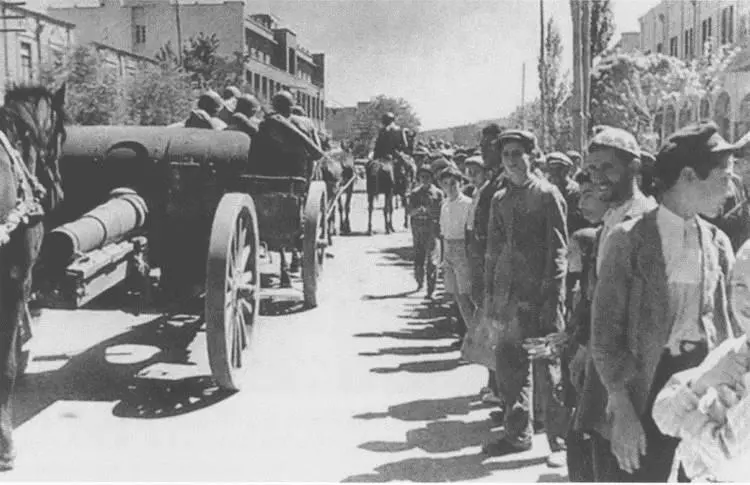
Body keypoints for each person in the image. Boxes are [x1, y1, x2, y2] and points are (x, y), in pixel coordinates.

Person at [583, 122, 739, 482]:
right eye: (723, 176)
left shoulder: (716, 242)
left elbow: (727, 326)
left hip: (700, 384)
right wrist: (621, 408)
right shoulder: (630, 240)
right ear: (688, 176)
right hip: (645, 383)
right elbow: (605, 337)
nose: (730, 189)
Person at [482, 129, 569, 466]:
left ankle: (560, 444)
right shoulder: (499, 200)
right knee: (510, 367)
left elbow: (559, 250)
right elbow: (492, 251)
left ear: (532, 156)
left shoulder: (548, 195)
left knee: (549, 369)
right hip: (509, 298)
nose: (512, 161)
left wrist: (552, 297)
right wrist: (491, 296)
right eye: (506, 155)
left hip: (542, 296)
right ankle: (517, 434)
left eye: (518, 153)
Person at [652, 240, 750, 483]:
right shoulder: (729, 351)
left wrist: (689, 421)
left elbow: (733, 467)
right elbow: (661, 414)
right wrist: (703, 382)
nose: (747, 299)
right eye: (740, 285)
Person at [463, 155, 502, 405]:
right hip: (477, 262)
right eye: (469, 172)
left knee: (491, 330)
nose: (472, 176)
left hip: (487, 266)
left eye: (476, 172)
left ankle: (497, 386)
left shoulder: (490, 194)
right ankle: (493, 384)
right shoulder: (478, 193)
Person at [438, 167, 475, 337]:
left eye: (453, 183)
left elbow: (470, 231)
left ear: (460, 183)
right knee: (457, 297)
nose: (450, 187)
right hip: (449, 249)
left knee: (466, 296)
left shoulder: (468, 203)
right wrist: (444, 258)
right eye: (445, 184)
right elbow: (444, 232)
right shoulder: (444, 204)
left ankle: (475, 336)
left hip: (463, 249)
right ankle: (468, 335)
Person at [408, 164, 443, 299]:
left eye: (427, 177)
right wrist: (418, 211)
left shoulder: (438, 194)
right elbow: (410, 211)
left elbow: (441, 212)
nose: (425, 180)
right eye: (422, 177)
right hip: (418, 228)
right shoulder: (414, 193)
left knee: (433, 260)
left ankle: (431, 289)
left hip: (432, 229)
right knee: (418, 258)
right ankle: (419, 282)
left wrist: (429, 212)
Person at [546, 151, 587, 235]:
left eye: (558, 169)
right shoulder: (545, 188)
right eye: (551, 169)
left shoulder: (575, 190)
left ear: (566, 170)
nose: (554, 173)